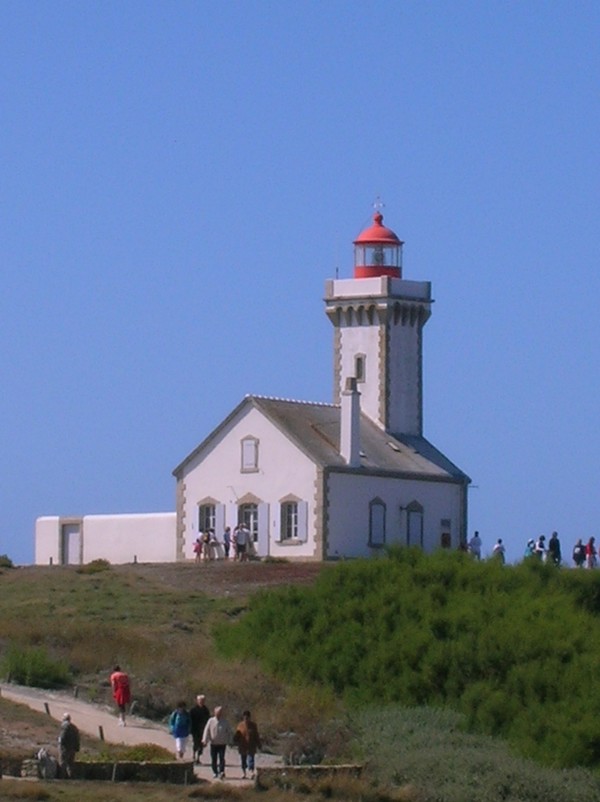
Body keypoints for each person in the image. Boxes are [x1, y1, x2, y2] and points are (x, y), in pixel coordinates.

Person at [202, 705, 233, 779]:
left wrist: (230, 741)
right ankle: (215, 772)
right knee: (214, 758)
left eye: (220, 713)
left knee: (222, 758)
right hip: (214, 743)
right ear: (214, 713)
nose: (218, 714)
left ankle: (221, 771)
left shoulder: (225, 722)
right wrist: (204, 740)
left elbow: (229, 732)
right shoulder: (211, 721)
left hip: (222, 743)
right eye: (217, 713)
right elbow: (207, 730)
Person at [233, 709, 262, 780]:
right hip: (242, 745)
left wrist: (259, 744)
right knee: (243, 759)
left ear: (249, 718)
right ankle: (244, 773)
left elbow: (256, 735)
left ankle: (251, 772)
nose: (246, 719)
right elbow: (237, 734)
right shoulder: (240, 725)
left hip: (251, 745)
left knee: (251, 759)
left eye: (247, 718)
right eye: (245, 717)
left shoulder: (253, 725)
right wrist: (234, 740)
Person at [190, 694, 210, 765]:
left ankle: (198, 757)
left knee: (201, 745)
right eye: (200, 700)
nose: (201, 702)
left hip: (203, 730)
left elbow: (208, 720)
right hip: (195, 730)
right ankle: (194, 756)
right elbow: (190, 720)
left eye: (203, 701)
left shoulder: (206, 710)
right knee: (195, 743)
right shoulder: (193, 710)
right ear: (197, 701)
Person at [58, 713, 80, 779]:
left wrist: (60, 743)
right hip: (72, 748)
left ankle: (62, 777)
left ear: (64, 718)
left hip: (65, 748)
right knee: (70, 764)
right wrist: (77, 747)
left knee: (63, 763)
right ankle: (71, 777)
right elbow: (77, 738)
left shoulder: (64, 726)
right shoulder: (74, 727)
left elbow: (62, 737)